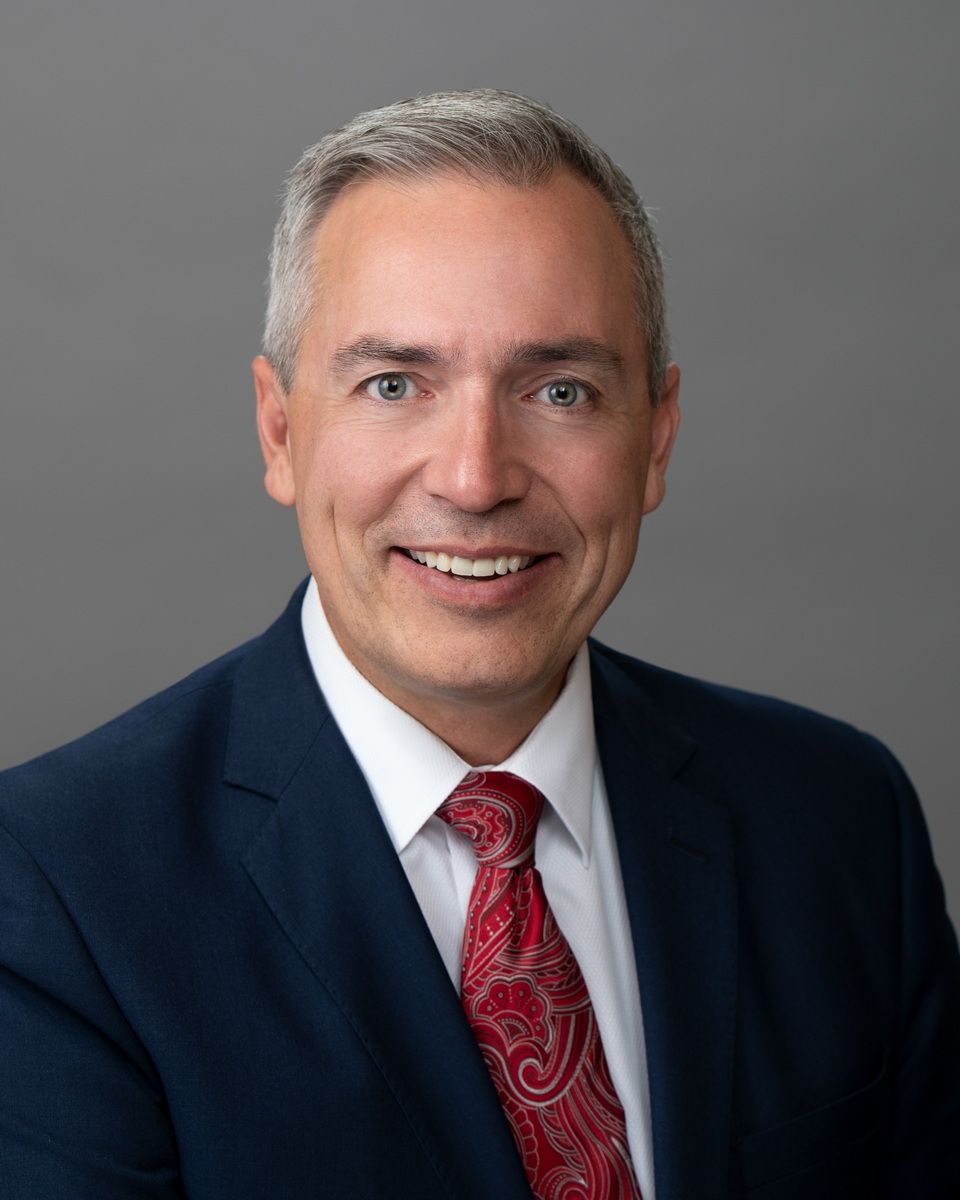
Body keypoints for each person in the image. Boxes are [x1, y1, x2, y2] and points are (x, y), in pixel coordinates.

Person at [0, 89, 957, 1200]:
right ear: (280, 431)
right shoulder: (54, 889)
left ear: (655, 436)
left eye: (561, 390)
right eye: (394, 384)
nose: (475, 477)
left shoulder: (838, 821)